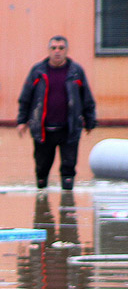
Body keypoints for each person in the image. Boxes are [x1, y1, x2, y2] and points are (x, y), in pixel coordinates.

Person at [16, 36, 96, 190]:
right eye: (54, 48)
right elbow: (25, 97)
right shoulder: (38, 71)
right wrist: (22, 121)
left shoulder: (76, 71)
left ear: (66, 51)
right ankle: (41, 201)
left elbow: (86, 97)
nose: (57, 52)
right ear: (49, 51)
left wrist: (90, 121)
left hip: (69, 129)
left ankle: (67, 203)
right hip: (43, 130)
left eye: (61, 48)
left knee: (68, 168)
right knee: (42, 168)